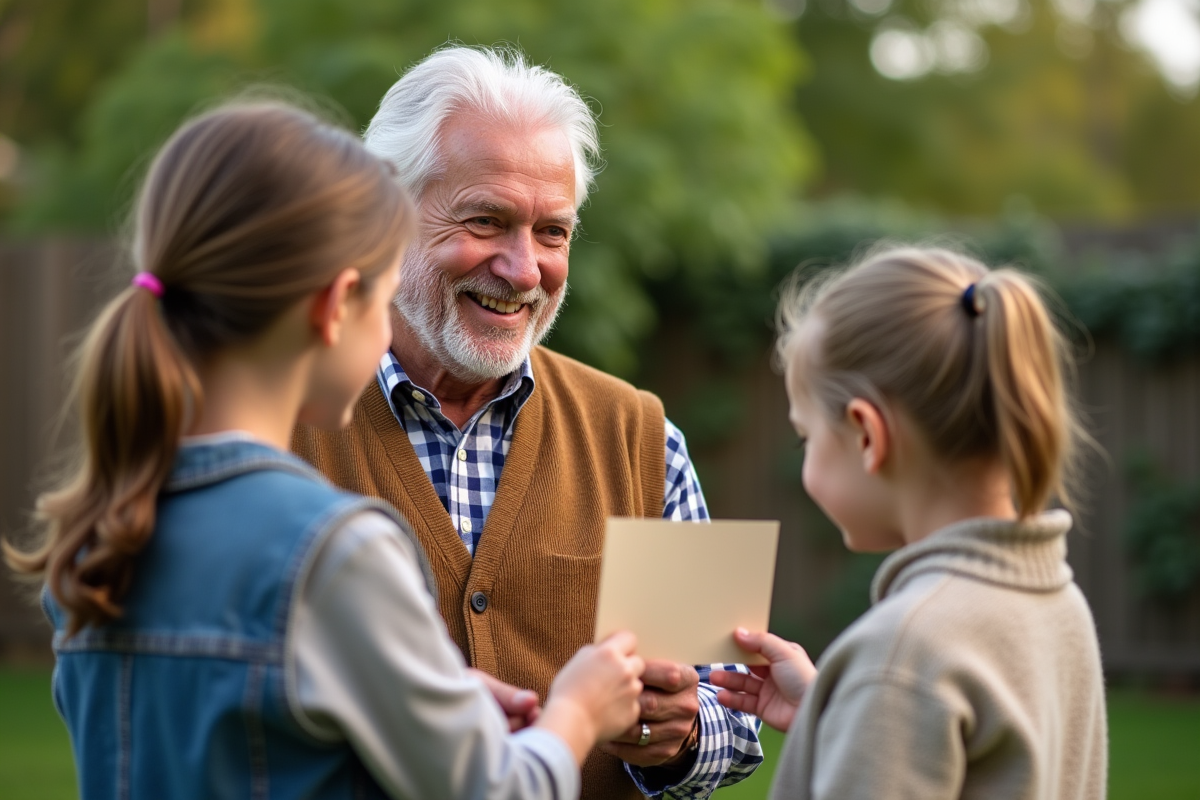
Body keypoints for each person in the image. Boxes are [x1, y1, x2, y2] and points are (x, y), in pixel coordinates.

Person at [2, 101, 648, 800]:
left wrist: (424, 692)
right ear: (335, 306)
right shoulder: (336, 549)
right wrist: (577, 711)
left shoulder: (102, 530)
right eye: (380, 303)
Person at [291, 46, 761, 799]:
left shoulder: (644, 438)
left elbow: (735, 716)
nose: (523, 269)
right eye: (486, 220)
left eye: (553, 233)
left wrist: (681, 735)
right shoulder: (277, 427)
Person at [710, 246, 1108, 799]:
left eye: (808, 436)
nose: (805, 460)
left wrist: (876, 696)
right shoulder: (1061, 607)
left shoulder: (902, 657)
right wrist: (842, 716)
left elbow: (909, 689)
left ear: (867, 435)